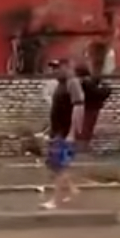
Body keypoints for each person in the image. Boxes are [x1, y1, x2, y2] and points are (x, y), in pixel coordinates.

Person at [41, 60, 85, 209]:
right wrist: (48, 130)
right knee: (54, 165)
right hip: (57, 131)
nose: (54, 71)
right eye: (52, 68)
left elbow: (78, 108)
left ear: (66, 67)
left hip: (65, 132)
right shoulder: (60, 84)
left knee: (60, 167)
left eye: (57, 68)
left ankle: (55, 201)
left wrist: (72, 132)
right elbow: (57, 109)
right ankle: (73, 190)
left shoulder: (72, 83)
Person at [74, 65, 112, 153]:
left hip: (84, 108)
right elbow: (98, 93)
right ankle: (82, 149)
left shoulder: (79, 83)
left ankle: (81, 147)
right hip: (89, 108)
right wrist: (107, 88)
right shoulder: (86, 83)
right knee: (86, 129)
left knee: (83, 128)